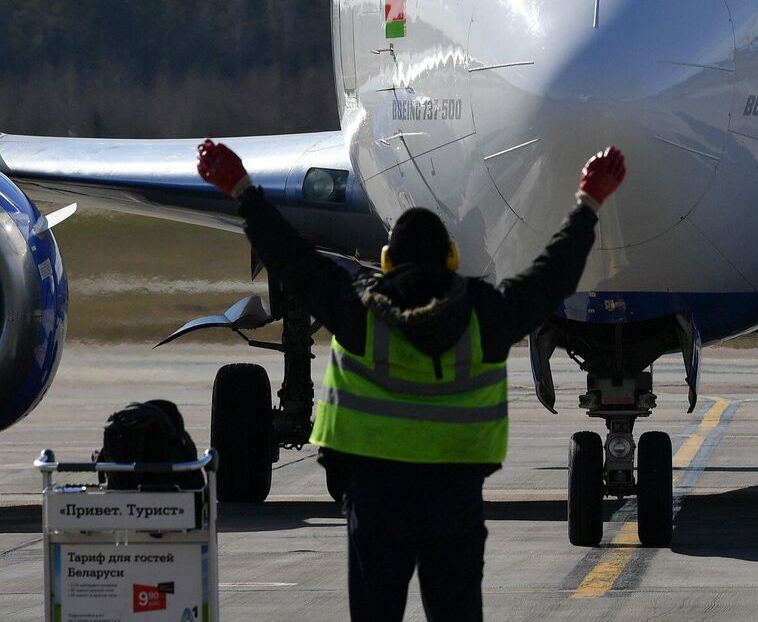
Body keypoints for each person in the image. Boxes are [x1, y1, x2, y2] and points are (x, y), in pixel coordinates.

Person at [196, 139, 627, 622]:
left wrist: (243, 190)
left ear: (385, 260)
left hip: (376, 499)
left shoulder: (358, 312)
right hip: (454, 500)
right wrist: (589, 201)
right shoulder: (484, 317)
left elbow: (293, 258)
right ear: (451, 260)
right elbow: (553, 275)